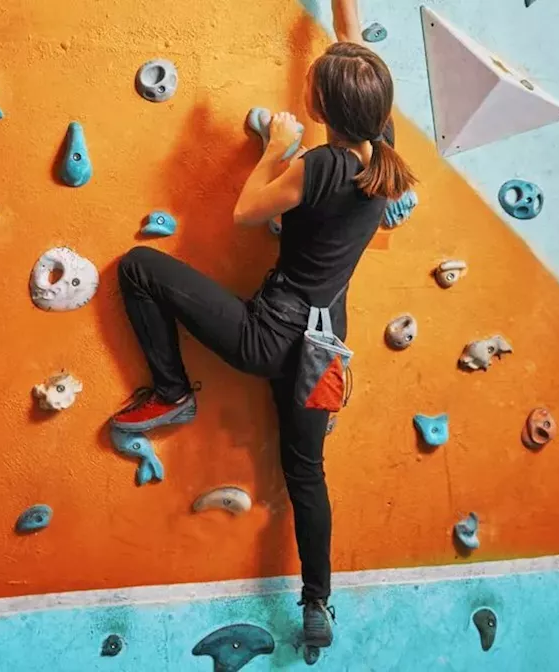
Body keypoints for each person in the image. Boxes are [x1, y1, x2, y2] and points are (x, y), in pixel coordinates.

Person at [109, 0, 416, 649]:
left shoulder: (319, 166)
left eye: (314, 85)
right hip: (328, 347)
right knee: (307, 474)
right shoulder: (382, 154)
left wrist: (278, 147)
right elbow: (354, 45)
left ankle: (171, 392)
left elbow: (248, 211)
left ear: (323, 107)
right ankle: (317, 604)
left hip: (268, 337)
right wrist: (343, 15)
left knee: (138, 267)